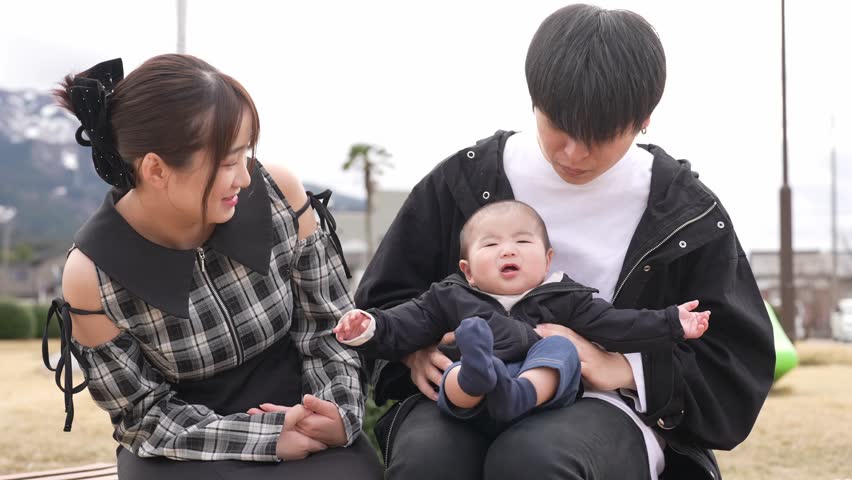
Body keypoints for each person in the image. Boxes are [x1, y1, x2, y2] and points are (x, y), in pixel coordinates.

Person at [355, 4, 775, 480]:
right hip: (465, 389)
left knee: (534, 459)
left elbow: (733, 361)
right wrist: (412, 352)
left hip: (609, 407)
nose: (574, 153)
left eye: (600, 135)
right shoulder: (464, 181)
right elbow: (382, 300)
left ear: (645, 118)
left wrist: (622, 369)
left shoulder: (685, 210)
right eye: (559, 125)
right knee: (430, 460)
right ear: (535, 99)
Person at [42, 55, 382, 479]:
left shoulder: (280, 194)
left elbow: (330, 327)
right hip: (184, 446)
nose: (244, 178)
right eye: (226, 163)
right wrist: (263, 437)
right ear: (156, 169)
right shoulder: (91, 274)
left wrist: (336, 410)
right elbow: (141, 416)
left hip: (304, 414)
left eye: (245, 155)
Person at [335, 200, 709, 428]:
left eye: (522, 241)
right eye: (491, 244)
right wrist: (370, 326)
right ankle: (478, 375)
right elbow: (406, 322)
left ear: (547, 260)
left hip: (539, 400)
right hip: (474, 397)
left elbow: (616, 325)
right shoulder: (450, 297)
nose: (508, 250)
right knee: (459, 357)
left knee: (561, 349)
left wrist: (671, 321)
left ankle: (517, 392)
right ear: (467, 270)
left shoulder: (566, 297)